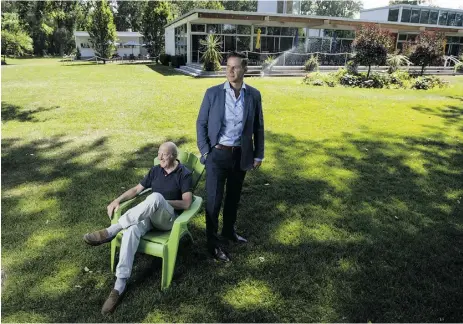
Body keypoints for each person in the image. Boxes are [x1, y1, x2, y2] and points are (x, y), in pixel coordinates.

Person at [83, 142, 193, 314]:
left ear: (173, 156)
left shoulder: (184, 174)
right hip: (150, 217)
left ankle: (112, 230)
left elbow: (187, 203)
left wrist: (161, 202)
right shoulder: (155, 170)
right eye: (158, 153)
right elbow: (136, 189)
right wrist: (117, 200)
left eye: (163, 154)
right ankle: (119, 285)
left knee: (155, 197)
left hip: (168, 220)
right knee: (131, 230)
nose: (159, 157)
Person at [196, 51, 265, 262]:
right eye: (228, 67)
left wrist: (258, 154)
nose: (230, 71)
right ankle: (213, 243)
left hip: (241, 155)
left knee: (233, 198)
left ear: (244, 69)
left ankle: (228, 231)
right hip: (217, 154)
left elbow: (258, 127)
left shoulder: (253, 95)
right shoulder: (213, 93)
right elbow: (201, 123)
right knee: (214, 201)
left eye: (235, 67)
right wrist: (206, 152)